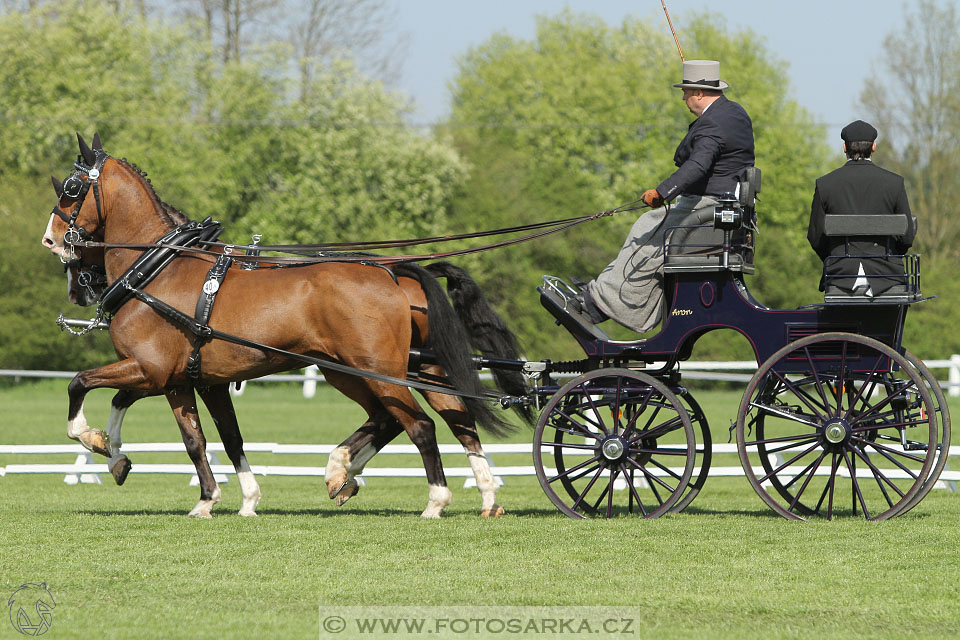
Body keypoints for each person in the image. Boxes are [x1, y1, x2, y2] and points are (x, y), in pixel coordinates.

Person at [581, 59, 755, 333]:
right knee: (649, 224)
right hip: (721, 206)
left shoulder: (712, 125)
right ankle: (606, 289)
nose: (684, 98)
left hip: (709, 208)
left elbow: (698, 165)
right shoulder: (734, 112)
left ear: (699, 93)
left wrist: (661, 192)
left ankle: (602, 304)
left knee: (646, 232)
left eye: (686, 92)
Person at [807, 120, 915, 296]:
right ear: (874, 147)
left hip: (841, 276)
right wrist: (891, 256)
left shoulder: (825, 184)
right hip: (887, 277)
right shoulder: (895, 183)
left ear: (844, 147)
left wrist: (836, 258)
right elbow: (907, 237)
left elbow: (815, 237)